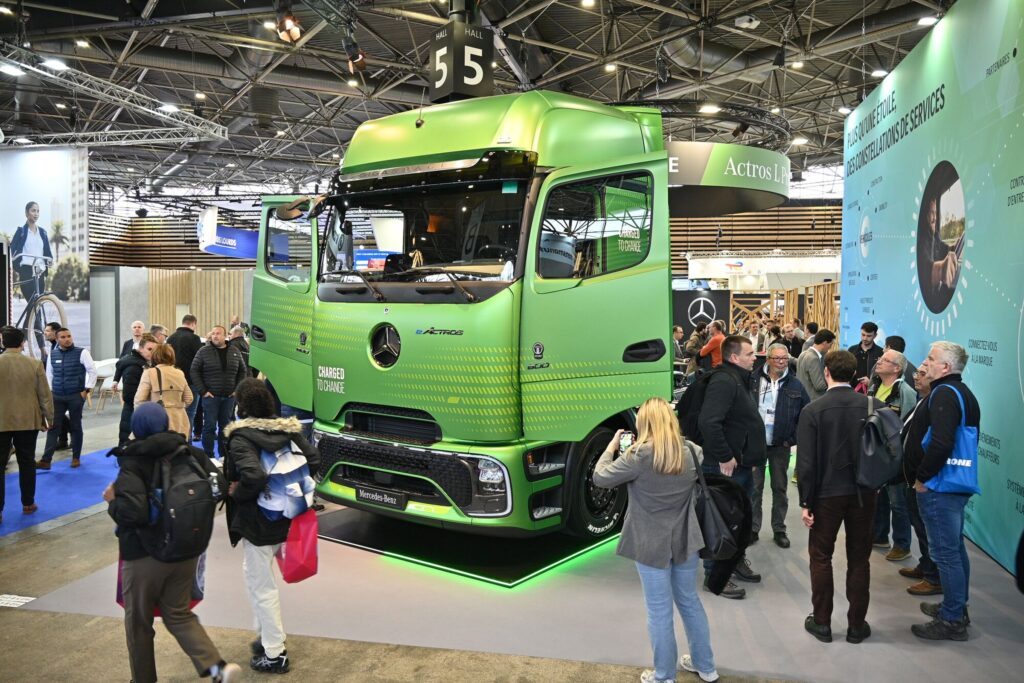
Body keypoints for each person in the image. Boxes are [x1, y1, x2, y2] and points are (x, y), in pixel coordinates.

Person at [103, 403, 241, 683]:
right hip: (187, 549)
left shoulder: (134, 462)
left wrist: (112, 501)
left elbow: (134, 513)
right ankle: (217, 669)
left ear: (136, 428)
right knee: (178, 614)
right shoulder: (190, 453)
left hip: (143, 556)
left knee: (138, 623)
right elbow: (219, 486)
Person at [593, 397, 719, 683]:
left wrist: (611, 447)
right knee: (689, 602)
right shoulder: (692, 452)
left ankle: (664, 676)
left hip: (649, 544)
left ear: (644, 423)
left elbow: (600, 477)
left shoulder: (637, 456)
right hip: (686, 540)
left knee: (659, 611)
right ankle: (706, 666)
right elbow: (690, 452)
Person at [224, 378, 320, 674]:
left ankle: (275, 653)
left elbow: (253, 476)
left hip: (259, 523)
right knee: (259, 582)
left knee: (262, 587)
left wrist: (236, 494)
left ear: (242, 406)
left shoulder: (241, 438)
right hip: (290, 516)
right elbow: (314, 458)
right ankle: (266, 637)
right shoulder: (288, 429)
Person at [796, 350, 883, 645]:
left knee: (821, 557)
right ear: (854, 373)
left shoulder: (813, 410)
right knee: (860, 559)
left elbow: (806, 463)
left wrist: (806, 502)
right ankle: (857, 625)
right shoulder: (874, 406)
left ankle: (821, 622)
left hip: (825, 495)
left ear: (827, 372)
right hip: (864, 493)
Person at [908, 341, 980, 641]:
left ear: (946, 367)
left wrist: (923, 477)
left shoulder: (944, 394)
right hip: (953, 484)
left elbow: (941, 442)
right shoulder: (962, 392)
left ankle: (952, 620)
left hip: (940, 486)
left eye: (931, 358)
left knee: (946, 553)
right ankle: (956, 607)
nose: (925, 363)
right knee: (954, 549)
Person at [697, 335, 766, 599]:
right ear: (734, 357)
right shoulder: (724, 381)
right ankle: (715, 577)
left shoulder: (739, 378)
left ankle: (734, 563)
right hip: (724, 467)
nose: (755, 357)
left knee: (738, 521)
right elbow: (709, 422)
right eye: (750, 354)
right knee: (720, 522)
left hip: (740, 466)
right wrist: (725, 455)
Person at [750, 343, 810, 548]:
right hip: (755, 444)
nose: (782, 362)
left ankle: (779, 529)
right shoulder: (753, 380)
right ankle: (753, 528)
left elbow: (805, 415)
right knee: (754, 488)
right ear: (768, 359)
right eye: (777, 358)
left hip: (780, 445)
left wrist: (792, 439)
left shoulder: (796, 385)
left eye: (785, 358)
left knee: (780, 488)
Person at [868, 349, 919, 561]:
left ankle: (902, 544)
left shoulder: (905, 392)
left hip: (895, 456)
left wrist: (900, 458)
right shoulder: (874, 386)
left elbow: (908, 428)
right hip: (876, 452)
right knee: (879, 499)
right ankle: (879, 536)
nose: (879, 362)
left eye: (885, 360)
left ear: (897, 368)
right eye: (880, 359)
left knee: (898, 503)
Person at [0, 327, 53, 523]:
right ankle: (28, 503)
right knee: (27, 462)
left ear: (3, 342)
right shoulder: (34, 364)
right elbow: (45, 395)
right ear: (22, 343)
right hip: (28, 420)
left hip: (1, 421)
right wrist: (49, 418)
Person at [899, 368, 943, 596]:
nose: (916, 376)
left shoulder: (935, 405)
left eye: (923, 373)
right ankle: (926, 565)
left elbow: (938, 444)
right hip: (913, 477)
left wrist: (921, 477)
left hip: (922, 480)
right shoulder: (922, 401)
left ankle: (934, 578)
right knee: (919, 525)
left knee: (927, 531)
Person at [39, 328, 96, 469]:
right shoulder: (53, 354)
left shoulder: (82, 352)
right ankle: (46, 460)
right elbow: (49, 374)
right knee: (53, 427)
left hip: (75, 395)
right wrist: (51, 392)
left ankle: (76, 458)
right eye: (63, 337)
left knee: (76, 426)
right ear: (57, 339)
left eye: (69, 336)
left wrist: (86, 390)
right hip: (57, 396)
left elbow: (92, 371)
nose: (67, 339)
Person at [191, 325, 247, 460]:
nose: (215, 336)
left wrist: (236, 389)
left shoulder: (234, 351)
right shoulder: (203, 351)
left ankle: (223, 455)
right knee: (209, 427)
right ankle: (208, 456)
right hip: (210, 397)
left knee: (225, 427)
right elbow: (194, 370)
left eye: (218, 333)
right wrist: (203, 391)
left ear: (225, 336)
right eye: (213, 333)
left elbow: (242, 371)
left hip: (229, 397)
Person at [135, 343, 193, 439]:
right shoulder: (179, 373)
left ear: (154, 356)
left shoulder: (149, 373)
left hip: (157, 421)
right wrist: (176, 406)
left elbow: (139, 400)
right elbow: (189, 398)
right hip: (179, 421)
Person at [115, 333, 157, 448]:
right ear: (140, 348)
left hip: (137, 409)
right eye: (149, 349)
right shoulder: (134, 367)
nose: (152, 353)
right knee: (128, 443)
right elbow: (129, 395)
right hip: (134, 409)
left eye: (154, 350)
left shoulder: (142, 363)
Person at [918, 196, 961, 309]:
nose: (935, 218)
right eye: (932, 213)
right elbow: (923, 265)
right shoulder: (921, 238)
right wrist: (941, 269)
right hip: (928, 299)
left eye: (936, 213)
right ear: (926, 216)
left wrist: (954, 246)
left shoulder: (935, 235)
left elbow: (943, 247)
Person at [168, 315, 204, 440]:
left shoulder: (171, 338)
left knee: (174, 413)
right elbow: (200, 360)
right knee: (190, 414)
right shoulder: (195, 338)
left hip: (172, 382)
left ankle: (174, 441)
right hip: (190, 382)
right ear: (193, 324)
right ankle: (187, 442)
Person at [796, 329, 834, 401]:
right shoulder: (813, 358)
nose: (830, 347)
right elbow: (819, 385)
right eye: (831, 344)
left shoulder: (803, 354)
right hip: (812, 400)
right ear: (825, 343)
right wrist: (833, 381)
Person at [849, 322, 883, 386]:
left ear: (875, 335)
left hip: (870, 391)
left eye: (869, 336)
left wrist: (871, 383)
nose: (865, 338)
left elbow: (883, 376)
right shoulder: (852, 350)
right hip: (851, 389)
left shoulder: (881, 352)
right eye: (863, 335)